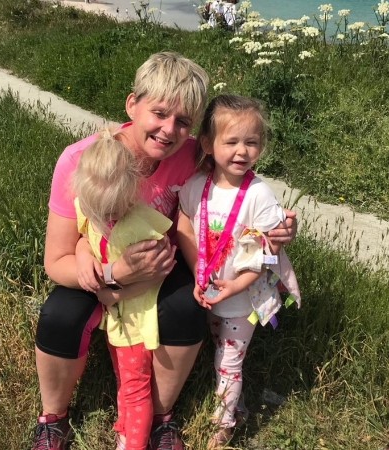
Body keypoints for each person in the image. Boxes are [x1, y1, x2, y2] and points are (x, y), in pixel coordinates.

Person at [32, 51, 297, 450]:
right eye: (159, 113)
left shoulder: (192, 156)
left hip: (161, 270)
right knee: (60, 315)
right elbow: (56, 261)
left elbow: (237, 184)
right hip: (97, 269)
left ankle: (161, 417)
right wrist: (112, 278)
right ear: (132, 104)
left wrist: (275, 225)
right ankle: (53, 419)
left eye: (183, 121)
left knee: (186, 309)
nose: (169, 130)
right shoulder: (82, 160)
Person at [177, 94, 301, 449]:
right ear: (207, 144)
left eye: (251, 142)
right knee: (218, 351)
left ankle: (224, 425)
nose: (242, 151)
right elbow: (184, 224)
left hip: (242, 299)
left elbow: (266, 253)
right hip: (208, 291)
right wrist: (198, 274)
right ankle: (239, 405)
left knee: (228, 361)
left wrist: (236, 286)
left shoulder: (260, 195)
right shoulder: (195, 186)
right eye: (231, 142)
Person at [73, 130, 173, 450]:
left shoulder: (142, 225)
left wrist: (115, 294)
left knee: (136, 387)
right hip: (116, 320)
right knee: (123, 377)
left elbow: (161, 270)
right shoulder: (89, 207)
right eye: (98, 211)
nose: (104, 218)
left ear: (132, 194)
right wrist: (82, 256)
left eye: (111, 211)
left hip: (135, 321)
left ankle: (135, 442)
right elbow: (83, 237)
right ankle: (126, 427)